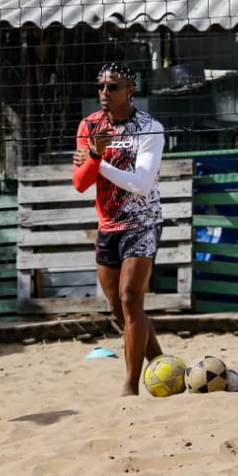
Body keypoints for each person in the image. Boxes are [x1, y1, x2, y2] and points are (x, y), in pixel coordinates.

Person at [72, 62, 166, 396]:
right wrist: (94, 160)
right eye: (101, 86)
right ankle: (162, 365)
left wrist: (99, 160)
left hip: (142, 220)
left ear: (130, 90)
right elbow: (80, 184)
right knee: (118, 308)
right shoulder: (90, 125)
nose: (105, 93)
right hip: (108, 224)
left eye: (113, 87)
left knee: (129, 298)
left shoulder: (149, 128)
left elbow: (141, 183)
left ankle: (131, 385)